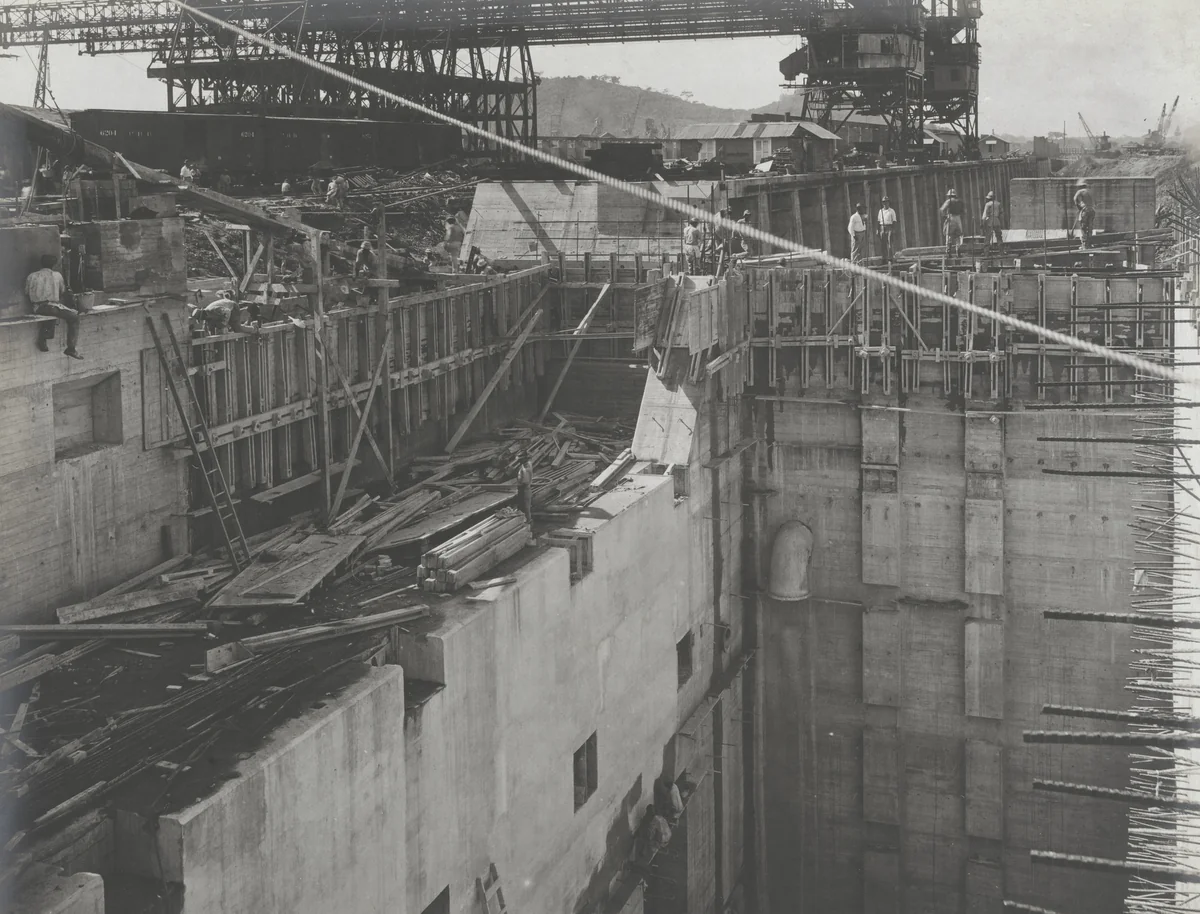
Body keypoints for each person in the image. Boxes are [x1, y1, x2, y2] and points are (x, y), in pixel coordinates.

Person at [26, 253, 82, 359]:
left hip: (36, 308)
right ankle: (71, 349)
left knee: (53, 312)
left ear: (41, 263)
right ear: (54, 265)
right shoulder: (57, 275)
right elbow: (62, 291)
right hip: (49, 306)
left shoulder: (32, 276)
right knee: (74, 317)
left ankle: (43, 339)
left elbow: (26, 292)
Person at [940, 188, 964, 257]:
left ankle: (948, 252)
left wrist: (944, 216)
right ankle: (958, 251)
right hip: (958, 218)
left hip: (951, 218)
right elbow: (963, 212)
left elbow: (942, 210)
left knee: (949, 235)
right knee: (958, 236)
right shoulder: (960, 202)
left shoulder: (949, 201)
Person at [1074, 179, 1096, 249]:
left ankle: (1084, 245)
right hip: (1092, 210)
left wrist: (1079, 207)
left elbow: (1075, 199)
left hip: (1085, 211)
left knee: (1083, 227)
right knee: (1090, 227)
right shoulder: (1091, 191)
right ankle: (1089, 244)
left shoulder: (1080, 191)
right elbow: (1095, 202)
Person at [877, 197, 898, 263]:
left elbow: (894, 221)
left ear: (888, 202)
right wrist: (877, 230)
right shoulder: (880, 211)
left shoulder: (892, 211)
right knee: (883, 244)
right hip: (882, 227)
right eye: (884, 202)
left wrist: (893, 229)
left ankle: (890, 258)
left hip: (889, 227)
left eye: (886, 202)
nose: (885, 203)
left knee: (890, 244)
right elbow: (878, 221)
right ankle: (884, 258)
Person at [516, 458, 534, 524]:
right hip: (523, 489)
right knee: (522, 507)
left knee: (526, 508)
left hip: (525, 489)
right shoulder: (527, 467)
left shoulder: (526, 469)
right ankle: (523, 521)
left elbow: (525, 481)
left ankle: (528, 522)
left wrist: (519, 483)